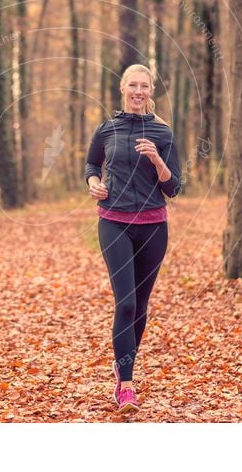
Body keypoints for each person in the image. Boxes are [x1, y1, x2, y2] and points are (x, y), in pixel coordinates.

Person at [84, 64, 183, 414]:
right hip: (114, 222)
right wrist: (93, 184)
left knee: (140, 305)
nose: (138, 91)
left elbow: (174, 187)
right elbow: (92, 165)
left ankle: (123, 364)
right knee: (125, 303)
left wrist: (157, 159)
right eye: (133, 85)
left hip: (154, 226)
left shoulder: (162, 132)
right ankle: (126, 385)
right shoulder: (108, 129)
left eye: (144, 86)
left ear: (151, 90)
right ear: (123, 88)